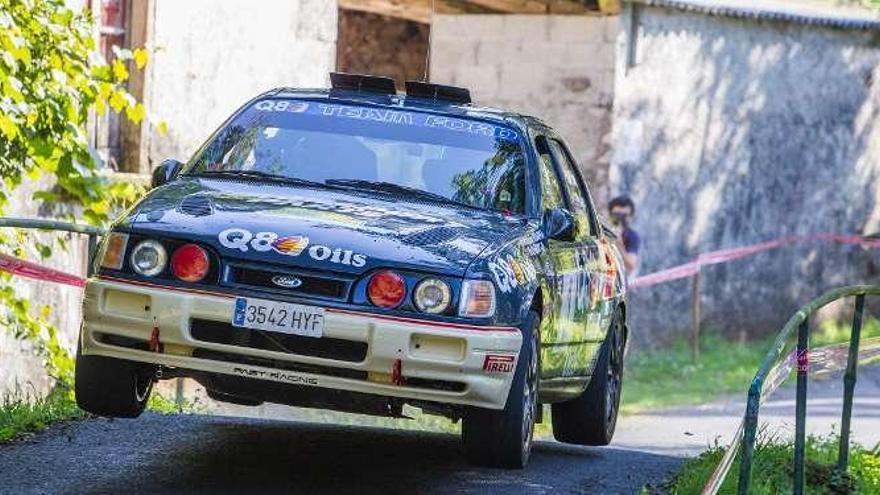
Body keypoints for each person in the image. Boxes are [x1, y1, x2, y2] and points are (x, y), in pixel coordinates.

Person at [608, 195, 641, 277]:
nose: (620, 219)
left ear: (631, 217)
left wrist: (618, 243)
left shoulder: (632, 236)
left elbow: (630, 264)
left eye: (624, 216)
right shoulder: (600, 229)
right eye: (617, 215)